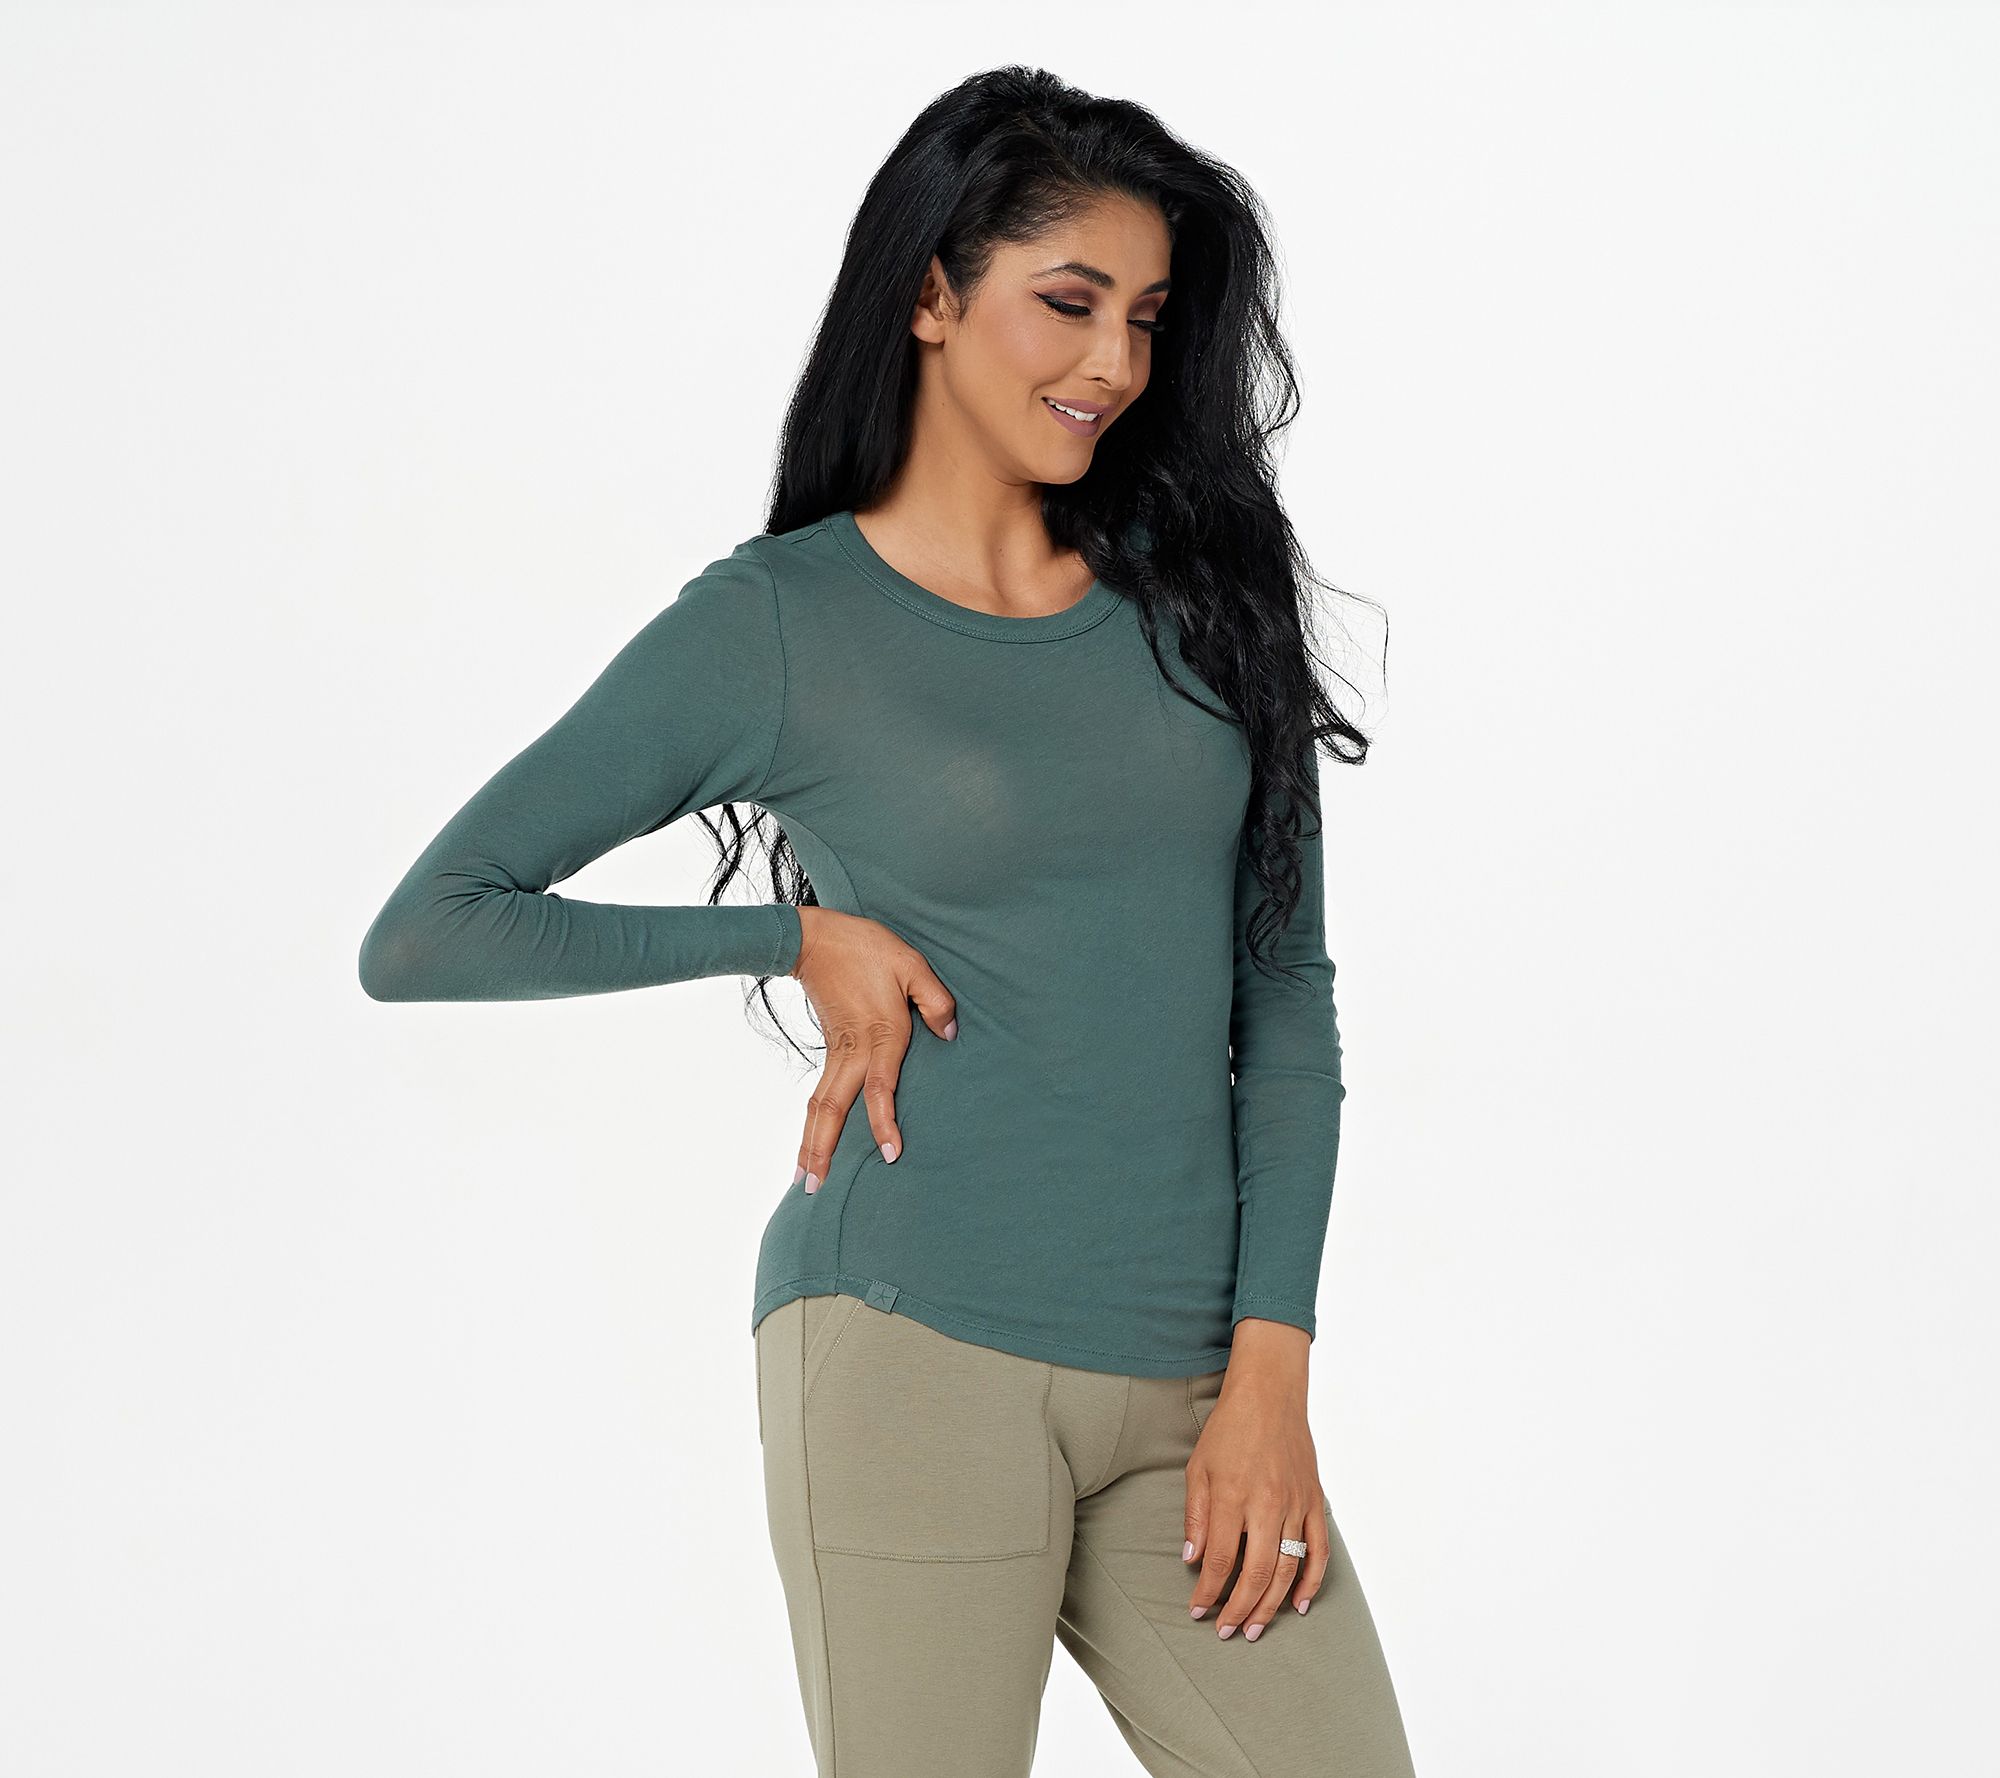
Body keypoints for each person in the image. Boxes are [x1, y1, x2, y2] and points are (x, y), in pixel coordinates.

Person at [358, 62, 1416, 1778]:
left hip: (1197, 1386)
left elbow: (1283, 998)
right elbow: (429, 929)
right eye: (1067, 303)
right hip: (915, 1347)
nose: (1115, 362)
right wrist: (790, 940)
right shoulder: (777, 624)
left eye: (1147, 318)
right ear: (931, 294)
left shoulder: (1205, 602)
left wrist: (1271, 1368)